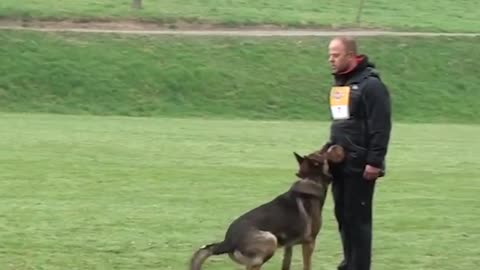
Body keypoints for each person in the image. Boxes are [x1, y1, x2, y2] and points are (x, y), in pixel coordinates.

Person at [322, 36, 392, 270]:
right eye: (330, 55)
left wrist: (374, 162)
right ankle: (349, 263)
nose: (330, 59)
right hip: (339, 164)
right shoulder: (341, 85)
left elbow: (381, 127)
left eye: (336, 55)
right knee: (343, 216)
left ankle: (359, 266)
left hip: (361, 166)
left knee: (359, 221)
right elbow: (341, 124)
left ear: (351, 55)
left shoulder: (371, 86)